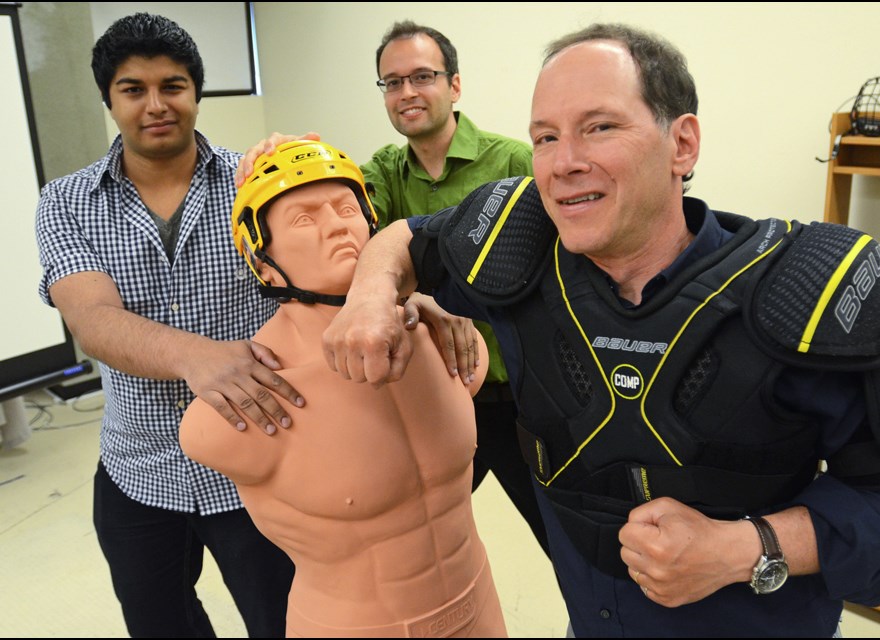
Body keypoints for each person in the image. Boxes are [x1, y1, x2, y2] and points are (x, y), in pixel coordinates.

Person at [319, 23, 880, 637]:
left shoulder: (797, 296)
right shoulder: (518, 252)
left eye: (600, 127)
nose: (564, 163)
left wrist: (743, 548)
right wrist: (371, 296)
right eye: (545, 137)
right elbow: (405, 239)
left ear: (682, 144)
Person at [33, 12, 469, 638]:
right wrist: (197, 357)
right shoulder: (68, 201)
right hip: (138, 466)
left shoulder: (257, 182)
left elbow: (343, 261)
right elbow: (92, 319)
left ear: (196, 93)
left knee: (283, 622)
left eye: (173, 86)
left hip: (271, 458)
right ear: (109, 98)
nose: (156, 105)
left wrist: (397, 299)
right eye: (134, 89)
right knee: (159, 623)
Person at [238, 20, 552, 561]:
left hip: (525, 395)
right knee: (414, 543)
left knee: (568, 546)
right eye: (392, 82)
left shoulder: (514, 163)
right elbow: (347, 241)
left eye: (422, 77)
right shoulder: (383, 171)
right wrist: (281, 158)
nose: (406, 92)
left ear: (454, 85)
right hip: (437, 394)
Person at [180, 140, 506, 638]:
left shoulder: (448, 343)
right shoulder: (231, 414)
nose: (337, 225)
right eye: (305, 219)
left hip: (478, 606)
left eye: (347, 209)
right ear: (262, 262)